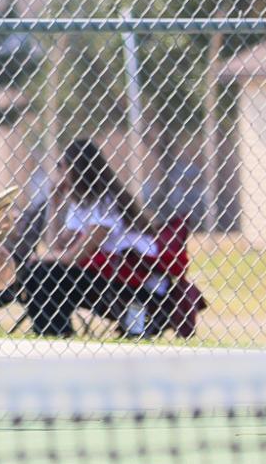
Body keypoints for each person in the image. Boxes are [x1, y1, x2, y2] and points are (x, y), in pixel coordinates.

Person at [17, 137, 159, 338]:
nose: (59, 172)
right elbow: (55, 245)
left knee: (45, 271)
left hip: (136, 281)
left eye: (61, 165)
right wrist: (54, 204)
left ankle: (56, 332)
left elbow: (73, 257)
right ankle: (52, 332)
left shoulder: (106, 202)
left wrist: (43, 258)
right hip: (110, 275)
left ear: (76, 168)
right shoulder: (82, 203)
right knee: (40, 270)